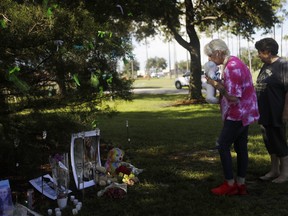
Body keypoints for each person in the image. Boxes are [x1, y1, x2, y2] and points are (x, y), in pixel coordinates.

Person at [203, 39, 259, 195]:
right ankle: (241, 184)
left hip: (238, 114)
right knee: (241, 147)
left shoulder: (232, 67)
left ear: (218, 52)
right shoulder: (234, 63)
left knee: (222, 146)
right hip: (245, 113)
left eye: (210, 55)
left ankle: (230, 184)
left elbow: (233, 97)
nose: (209, 59)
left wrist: (215, 85)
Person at [255, 38, 288, 183]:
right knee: (269, 142)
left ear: (268, 52)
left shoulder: (283, 65)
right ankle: (274, 170)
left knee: (279, 141)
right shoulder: (265, 66)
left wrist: (286, 112)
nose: (258, 55)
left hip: (277, 112)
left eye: (260, 52)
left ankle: (285, 173)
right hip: (265, 112)